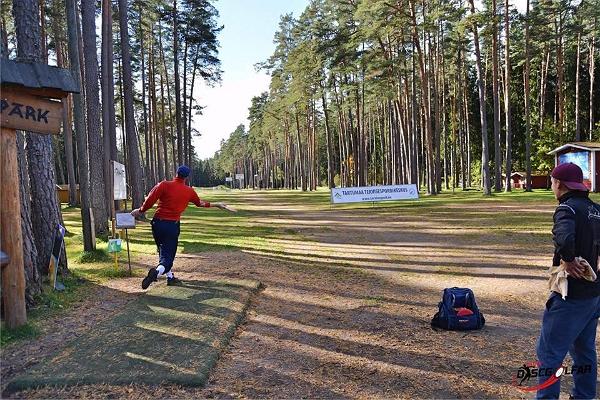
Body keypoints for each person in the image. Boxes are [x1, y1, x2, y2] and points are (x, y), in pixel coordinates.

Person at [536, 162, 600, 400]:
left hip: (571, 295)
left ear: (559, 184)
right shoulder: (596, 209)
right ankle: (584, 396)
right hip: (593, 295)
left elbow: (563, 236)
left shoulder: (567, 209)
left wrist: (569, 258)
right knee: (584, 351)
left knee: (549, 354)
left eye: (552, 183)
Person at [131, 165, 234, 289]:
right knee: (168, 256)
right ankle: (157, 273)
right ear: (186, 177)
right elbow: (200, 203)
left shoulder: (164, 185)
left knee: (163, 251)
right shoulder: (189, 191)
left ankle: (170, 277)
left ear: (176, 173)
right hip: (172, 226)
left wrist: (141, 210)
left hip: (157, 223)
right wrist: (217, 204)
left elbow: (150, 199)